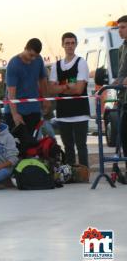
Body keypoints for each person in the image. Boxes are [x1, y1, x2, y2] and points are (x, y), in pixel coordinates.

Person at [47, 32, 90, 166]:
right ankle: (70, 173)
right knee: (68, 147)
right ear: (63, 45)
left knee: (81, 146)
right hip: (63, 113)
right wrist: (67, 86)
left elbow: (78, 89)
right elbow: (51, 89)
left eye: (72, 43)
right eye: (67, 43)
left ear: (76, 44)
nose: (70, 46)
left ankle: (84, 173)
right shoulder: (56, 65)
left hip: (80, 113)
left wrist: (61, 87)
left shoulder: (81, 63)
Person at [5, 38, 48, 135]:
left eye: (35, 56)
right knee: (17, 147)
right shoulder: (13, 64)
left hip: (34, 110)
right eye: (31, 55)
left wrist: (45, 98)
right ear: (25, 48)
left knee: (34, 146)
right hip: (16, 111)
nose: (33, 59)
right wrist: (15, 114)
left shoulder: (39, 60)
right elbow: (11, 93)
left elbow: (43, 79)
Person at [114, 15, 127, 171]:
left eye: (123, 27)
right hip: (124, 99)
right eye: (119, 27)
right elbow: (120, 74)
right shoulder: (121, 48)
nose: (120, 31)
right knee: (123, 136)